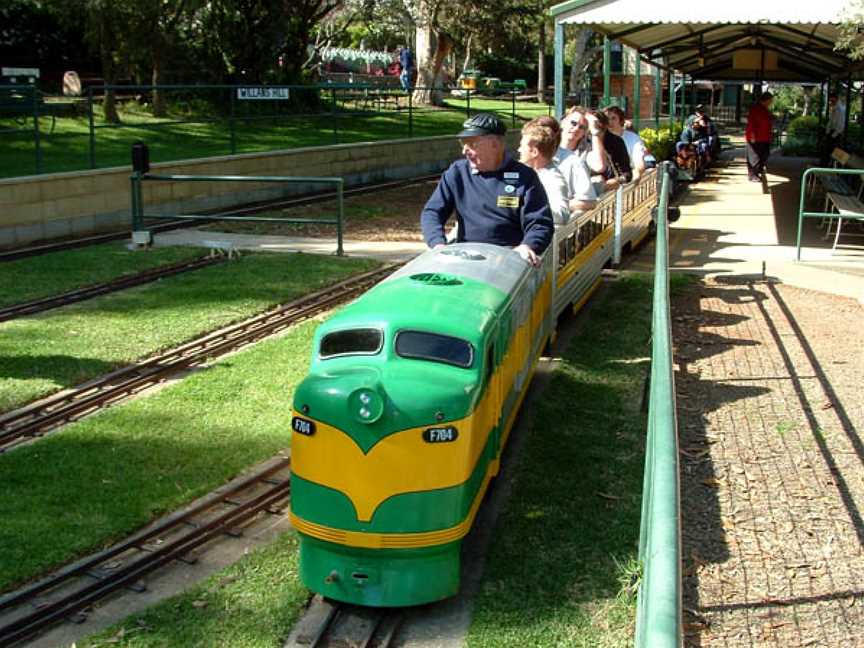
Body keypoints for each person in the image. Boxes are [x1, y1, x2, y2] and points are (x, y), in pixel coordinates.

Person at [420, 113, 554, 266]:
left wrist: (527, 246)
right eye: (462, 143)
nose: (465, 150)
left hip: (509, 258)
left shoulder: (525, 177)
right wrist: (437, 244)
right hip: (465, 256)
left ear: (495, 145)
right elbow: (432, 212)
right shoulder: (457, 172)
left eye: (472, 144)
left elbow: (540, 223)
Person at [518, 120, 570, 224]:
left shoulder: (553, 179)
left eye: (522, 146)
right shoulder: (521, 171)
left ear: (534, 152)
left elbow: (562, 215)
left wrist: (523, 208)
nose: (518, 150)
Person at [555, 107, 599, 214]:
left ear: (585, 133)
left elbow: (599, 166)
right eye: (573, 123)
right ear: (563, 122)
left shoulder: (586, 151)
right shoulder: (546, 147)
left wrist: (595, 132)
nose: (576, 129)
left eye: (582, 127)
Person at [589, 110, 632, 190]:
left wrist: (617, 181)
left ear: (605, 126)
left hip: (609, 190)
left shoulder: (616, 142)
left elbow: (627, 174)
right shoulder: (584, 142)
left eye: (598, 126)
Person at [605, 105, 647, 183]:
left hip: (626, 178)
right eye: (607, 119)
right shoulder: (602, 138)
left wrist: (636, 173)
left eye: (613, 118)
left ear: (620, 120)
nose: (609, 122)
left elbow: (639, 162)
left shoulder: (633, 138)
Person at [745, 91, 774, 182]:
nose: (771, 102)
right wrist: (752, 135)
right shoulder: (755, 109)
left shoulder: (764, 109)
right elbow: (751, 123)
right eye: (770, 100)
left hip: (764, 137)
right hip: (756, 137)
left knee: (764, 154)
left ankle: (756, 172)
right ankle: (753, 174)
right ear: (766, 100)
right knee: (755, 156)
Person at [822, 92, 846, 166]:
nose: (830, 102)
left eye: (832, 101)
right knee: (831, 153)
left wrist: (833, 136)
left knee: (836, 154)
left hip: (836, 135)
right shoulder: (835, 108)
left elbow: (840, 126)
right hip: (833, 134)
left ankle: (836, 169)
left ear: (836, 99)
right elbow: (831, 122)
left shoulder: (839, 110)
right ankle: (829, 166)